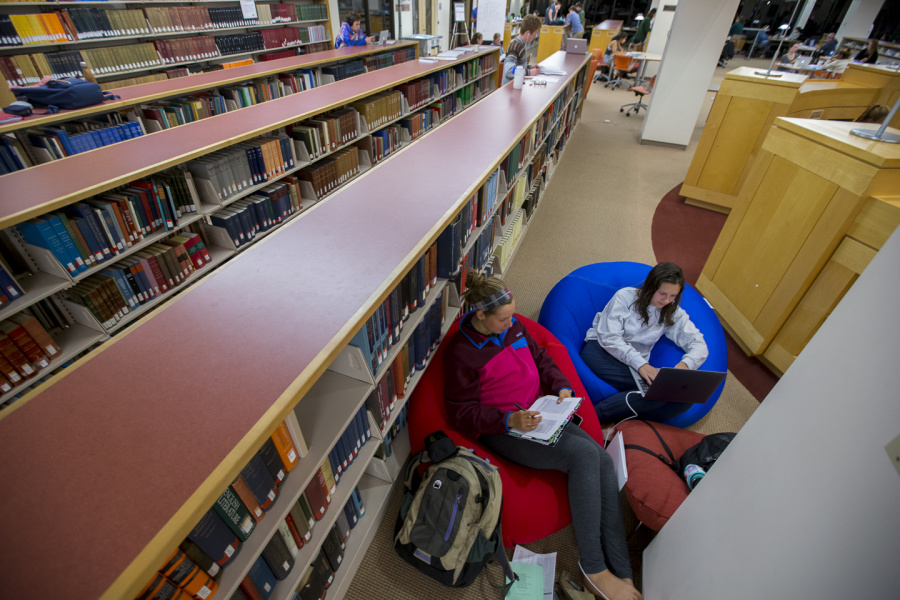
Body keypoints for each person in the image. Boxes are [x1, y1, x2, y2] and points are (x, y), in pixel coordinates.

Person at [444, 273, 642, 600]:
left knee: (602, 460)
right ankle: (594, 568)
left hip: (539, 411)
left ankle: (621, 569)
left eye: (512, 316)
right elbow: (460, 412)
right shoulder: (461, 353)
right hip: (505, 430)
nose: (512, 324)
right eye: (503, 319)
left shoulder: (515, 326)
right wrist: (510, 420)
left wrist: (560, 385)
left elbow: (541, 357)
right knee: (583, 459)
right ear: (480, 315)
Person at [580, 262, 708, 423]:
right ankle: (590, 419)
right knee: (657, 392)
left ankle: (627, 424)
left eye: (673, 296)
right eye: (662, 293)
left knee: (684, 396)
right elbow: (609, 337)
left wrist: (684, 366)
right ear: (651, 287)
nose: (667, 300)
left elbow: (700, 345)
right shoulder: (625, 297)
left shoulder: (672, 311)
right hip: (601, 351)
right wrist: (641, 364)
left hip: (632, 364)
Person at [503, 14, 542, 84]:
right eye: (535, 33)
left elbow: (518, 66)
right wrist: (529, 72)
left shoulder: (521, 45)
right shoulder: (515, 47)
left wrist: (530, 67)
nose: (535, 36)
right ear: (527, 33)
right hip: (510, 88)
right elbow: (509, 71)